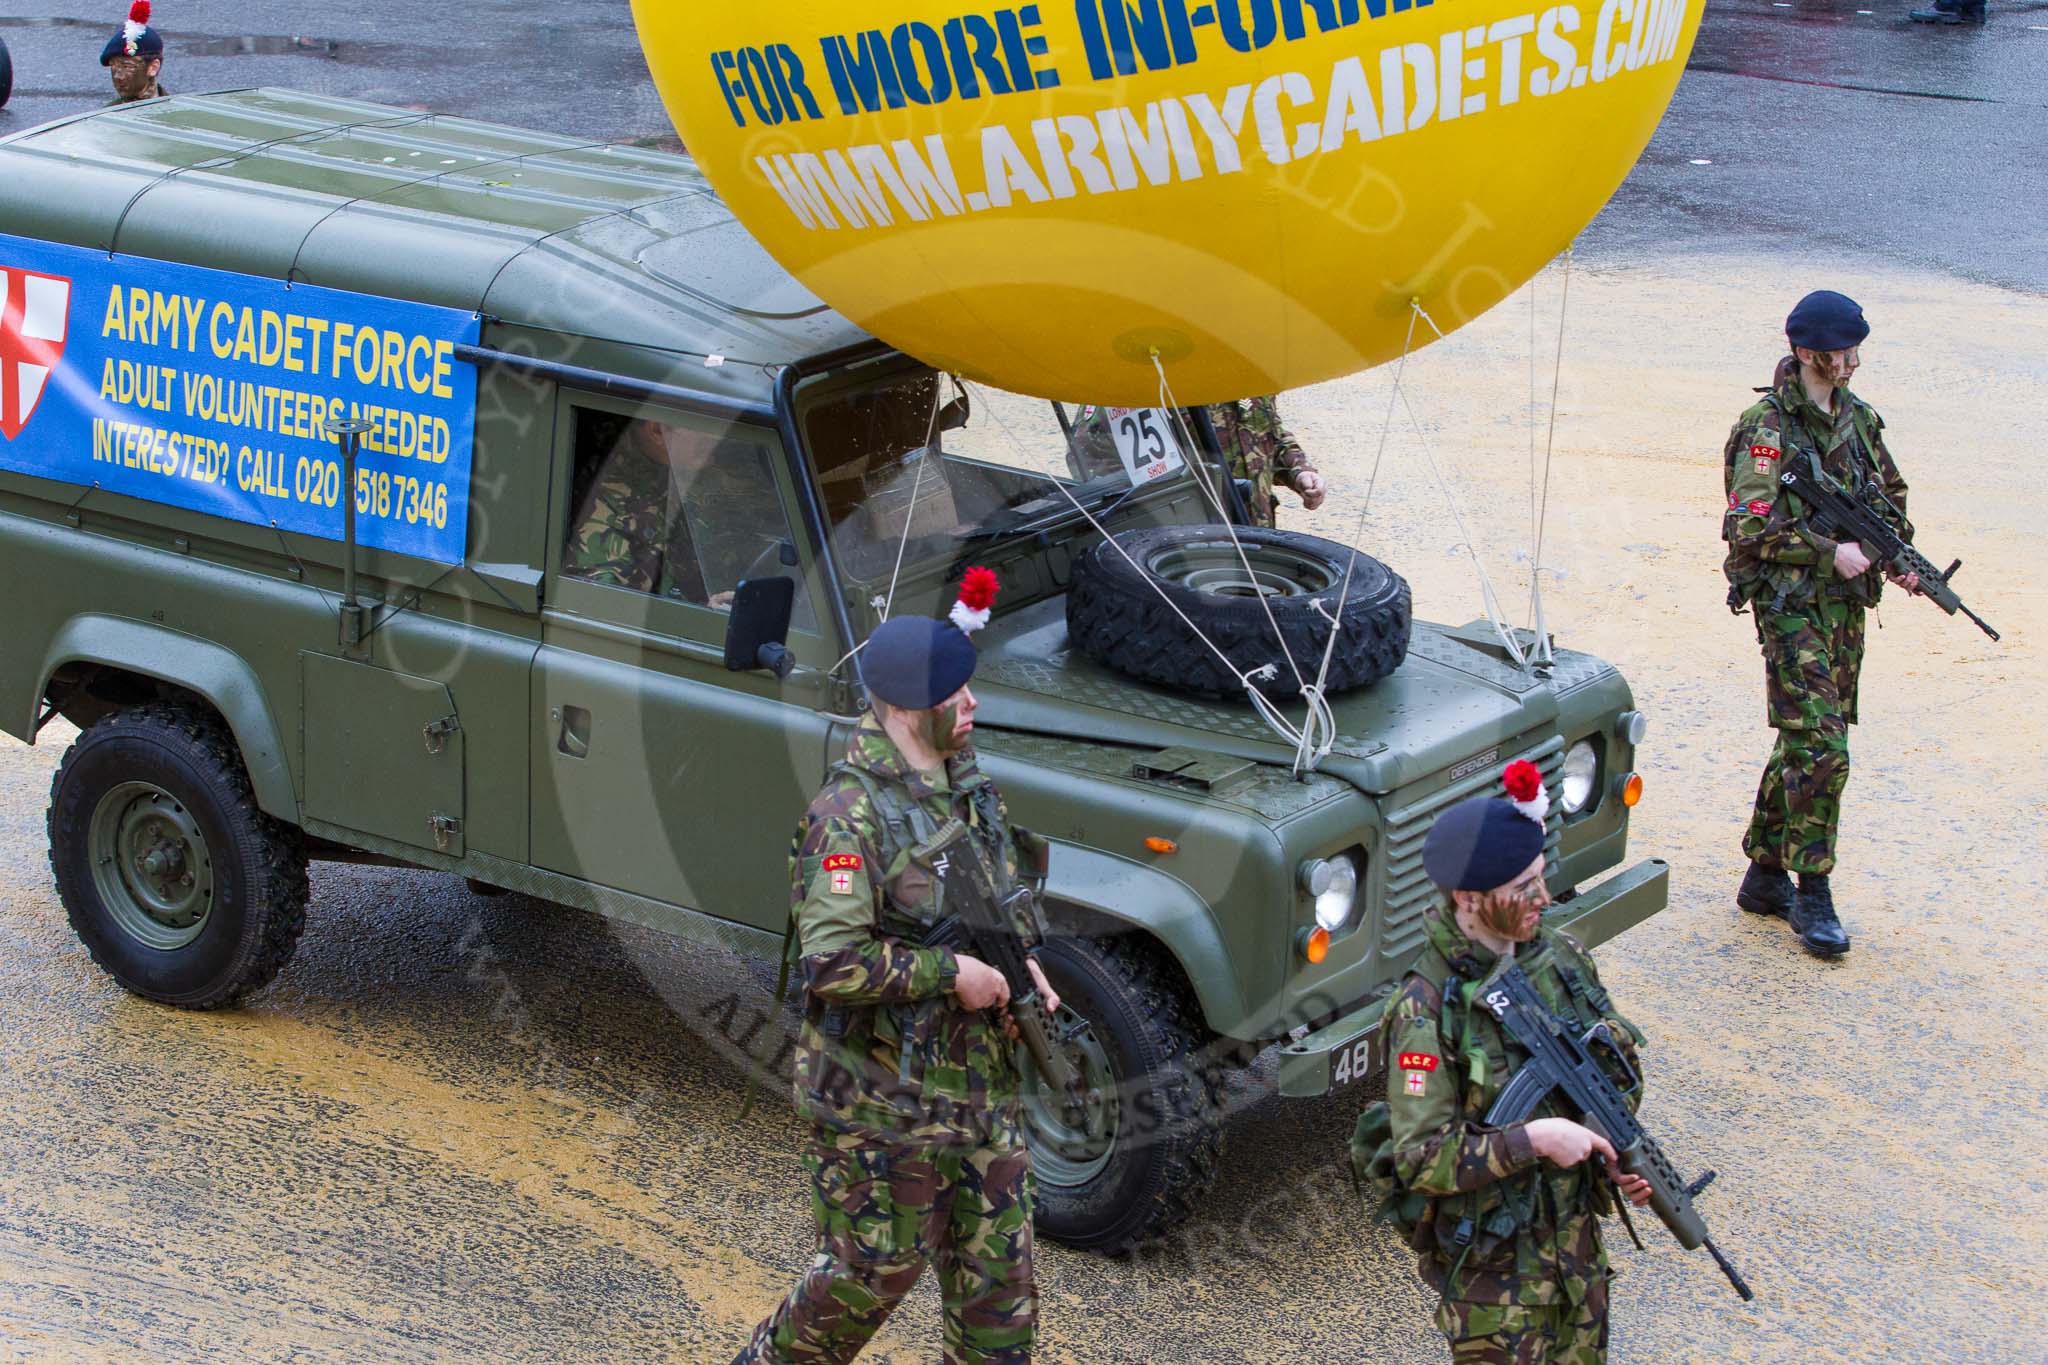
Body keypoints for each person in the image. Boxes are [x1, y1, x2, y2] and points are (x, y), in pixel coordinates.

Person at [733, 570, 1056, 1365]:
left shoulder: (968, 785)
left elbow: (1001, 897)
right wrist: (952, 974)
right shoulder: (847, 817)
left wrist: (1028, 967)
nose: (973, 705)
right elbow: (834, 962)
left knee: (999, 1292)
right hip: (881, 1103)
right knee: (866, 1276)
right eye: (960, 694)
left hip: (979, 1090)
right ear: (913, 708)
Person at [1378, 763, 1653, 1362]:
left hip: (1578, 1262)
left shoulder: (1561, 957)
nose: (1544, 898)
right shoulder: (1425, 1011)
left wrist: (1616, 1151)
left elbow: (1610, 1067)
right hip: (1495, 1290)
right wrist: (1535, 1138)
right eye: (1523, 888)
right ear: (1468, 900)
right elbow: (1421, 1161)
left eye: (1541, 878)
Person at [1721, 290, 1917, 958]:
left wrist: (1895, 556)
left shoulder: (1859, 420)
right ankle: (1813, 888)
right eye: (1839, 352)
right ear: (1808, 353)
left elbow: (1891, 499)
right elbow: (1750, 525)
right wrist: (1830, 551)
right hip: (1791, 605)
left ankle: (1765, 875)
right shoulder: (1767, 428)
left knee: (1801, 743)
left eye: (1855, 349)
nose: (1852, 361)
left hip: (1843, 609)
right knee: (1824, 747)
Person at [564, 418, 787, 609]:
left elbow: (759, 526)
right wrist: (703, 612)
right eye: (704, 422)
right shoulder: (607, 509)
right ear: (658, 430)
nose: (717, 433)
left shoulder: (693, 464)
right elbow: (605, 615)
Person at [1208, 395, 1325, 528]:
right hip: (1202, 535)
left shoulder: (1255, 382)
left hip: (1258, 531)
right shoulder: (1185, 389)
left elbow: (1270, 437)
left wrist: (1299, 471)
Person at [102, 2, 168, 105]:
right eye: (114, 66)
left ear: (153, 67)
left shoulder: (177, 115)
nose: (118, 76)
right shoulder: (106, 114)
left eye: (127, 66)